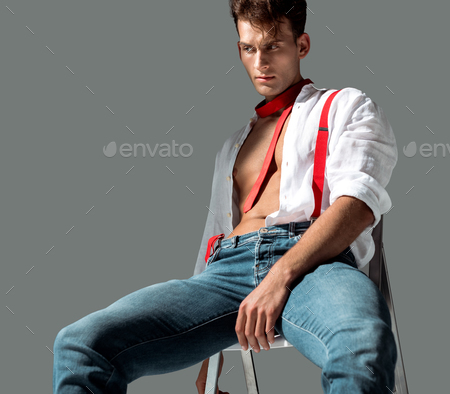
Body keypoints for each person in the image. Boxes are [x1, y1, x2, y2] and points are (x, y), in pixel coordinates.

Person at [52, 1, 398, 393]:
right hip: (226, 273)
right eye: (250, 48)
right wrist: (208, 359)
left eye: (273, 46)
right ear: (239, 49)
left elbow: (357, 205)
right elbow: (214, 235)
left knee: (361, 346)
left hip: (316, 264)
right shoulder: (234, 145)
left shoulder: (347, 107)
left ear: (302, 45)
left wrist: (280, 277)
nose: (261, 61)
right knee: (80, 344)